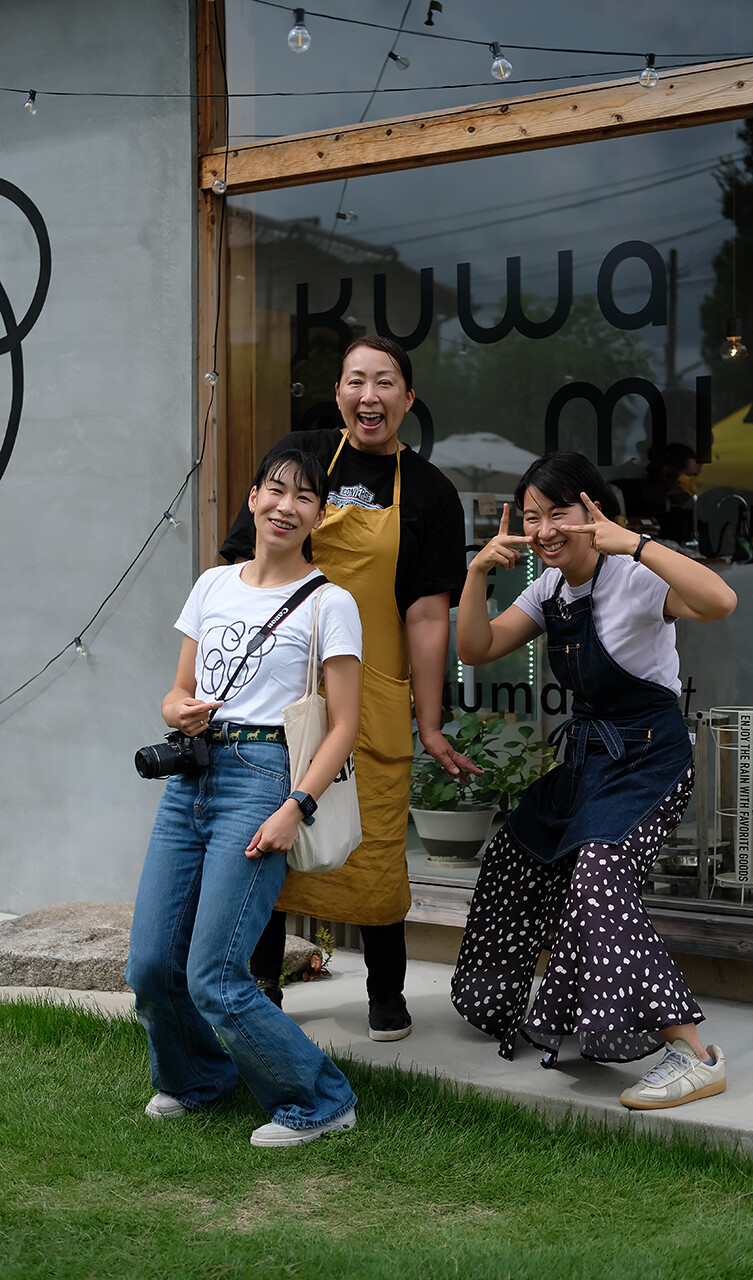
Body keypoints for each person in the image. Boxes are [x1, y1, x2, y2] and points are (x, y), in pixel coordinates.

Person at [451, 452, 738, 1110]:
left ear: (592, 512)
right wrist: (475, 573)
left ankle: (695, 1055)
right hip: (586, 765)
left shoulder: (633, 576)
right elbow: (475, 648)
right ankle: (531, 1007)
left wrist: (635, 542)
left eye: (560, 513)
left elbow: (721, 602)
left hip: (649, 764)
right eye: (533, 518)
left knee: (598, 878)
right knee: (514, 855)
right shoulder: (546, 592)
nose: (546, 530)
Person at [220, 336, 476, 1041]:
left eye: (385, 382)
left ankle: (385, 994)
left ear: (407, 398)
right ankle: (262, 988)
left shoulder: (429, 491)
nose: (371, 395)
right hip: (280, 691)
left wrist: (428, 721)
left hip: (373, 695)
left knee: (376, 848)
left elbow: (427, 617)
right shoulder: (300, 456)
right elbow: (246, 565)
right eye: (357, 381)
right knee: (264, 839)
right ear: (337, 393)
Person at [126, 448, 363, 1147]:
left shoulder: (331, 601)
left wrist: (297, 806)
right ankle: (196, 1078)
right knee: (150, 963)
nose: (287, 506)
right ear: (254, 497)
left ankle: (321, 1099)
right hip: (192, 775)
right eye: (276, 490)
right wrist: (178, 711)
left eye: (305, 497)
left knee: (216, 973)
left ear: (320, 514)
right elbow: (175, 692)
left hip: (265, 777)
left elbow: (345, 726)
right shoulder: (212, 585)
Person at [616, 442, 701, 543]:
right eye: (690, 478)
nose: (693, 487)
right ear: (667, 474)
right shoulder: (622, 495)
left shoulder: (676, 513)